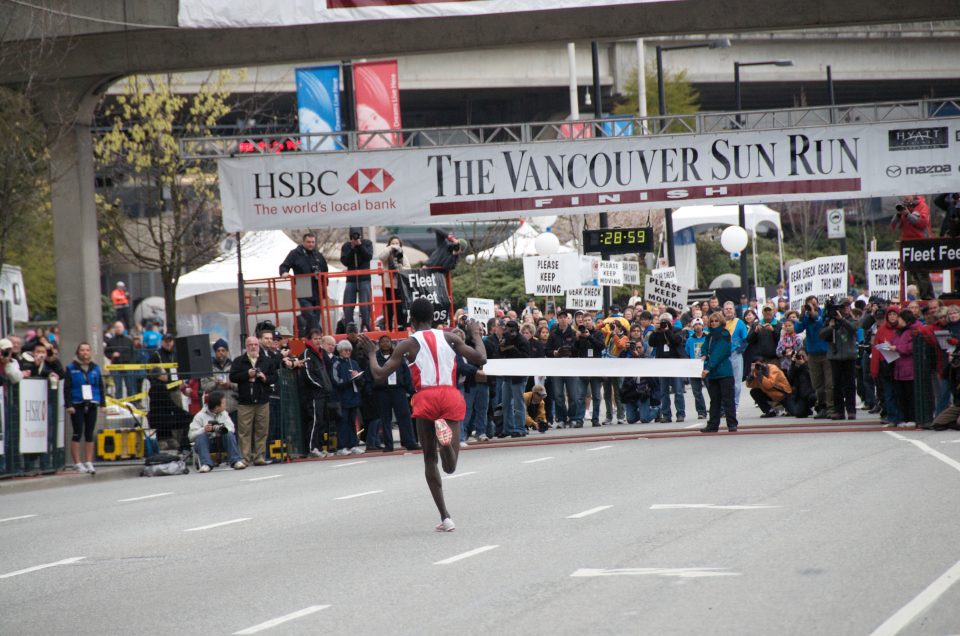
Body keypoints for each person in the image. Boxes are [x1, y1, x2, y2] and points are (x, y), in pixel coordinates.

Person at [358, 297, 486, 533]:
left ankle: (445, 517)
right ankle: (446, 442)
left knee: (429, 459)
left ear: (412, 320)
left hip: (425, 396)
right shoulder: (450, 337)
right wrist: (476, 333)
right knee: (451, 467)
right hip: (449, 394)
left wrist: (372, 353)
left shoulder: (408, 344)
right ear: (432, 317)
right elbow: (481, 359)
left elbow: (378, 375)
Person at [230, 335, 277, 465]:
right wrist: (247, 374)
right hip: (245, 402)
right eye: (250, 345)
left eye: (255, 344)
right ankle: (244, 458)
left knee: (262, 430)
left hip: (263, 401)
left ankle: (259, 457)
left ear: (258, 346)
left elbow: (274, 377)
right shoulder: (239, 361)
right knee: (244, 431)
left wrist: (264, 377)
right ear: (246, 346)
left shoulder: (266, 361)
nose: (253, 347)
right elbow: (232, 377)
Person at [64, 342, 106, 474]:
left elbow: (100, 385)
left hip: (92, 402)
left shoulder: (95, 368)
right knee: (77, 432)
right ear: (78, 352)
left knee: (89, 433)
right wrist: (69, 405)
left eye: (87, 350)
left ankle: (89, 461)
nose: (85, 352)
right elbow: (67, 388)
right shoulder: (71, 368)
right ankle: (77, 462)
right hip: (77, 403)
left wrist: (103, 403)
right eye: (82, 350)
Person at [371, 334, 418, 452]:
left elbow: (406, 373)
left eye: (387, 341)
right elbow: (372, 373)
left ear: (391, 343)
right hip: (383, 391)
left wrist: (411, 389)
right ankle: (388, 444)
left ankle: (409, 442)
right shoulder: (376, 358)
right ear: (379, 344)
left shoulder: (398, 356)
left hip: (398, 390)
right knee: (385, 419)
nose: (385, 344)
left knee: (404, 416)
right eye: (382, 342)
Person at [279, 232, 329, 334]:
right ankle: (319, 333)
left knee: (316, 315)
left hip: (317, 287)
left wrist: (324, 286)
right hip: (303, 285)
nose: (311, 244)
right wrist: (284, 273)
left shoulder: (318, 254)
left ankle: (310, 336)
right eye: (308, 242)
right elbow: (284, 265)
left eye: (313, 242)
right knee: (308, 313)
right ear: (303, 242)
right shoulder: (295, 253)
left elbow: (325, 271)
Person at [819, 298, 858, 420]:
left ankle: (851, 410)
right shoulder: (830, 321)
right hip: (835, 357)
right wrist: (831, 327)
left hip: (849, 356)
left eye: (848, 306)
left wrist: (842, 320)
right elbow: (821, 335)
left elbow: (853, 329)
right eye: (843, 307)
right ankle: (839, 411)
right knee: (836, 385)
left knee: (850, 385)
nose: (846, 309)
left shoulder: (852, 320)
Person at [188, 391, 247, 472]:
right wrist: (204, 430)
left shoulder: (224, 414)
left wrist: (221, 428)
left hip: (222, 442)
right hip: (207, 444)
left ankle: (235, 461)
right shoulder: (200, 416)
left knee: (228, 434)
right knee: (201, 437)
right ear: (216, 407)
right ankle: (206, 464)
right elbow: (191, 436)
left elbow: (232, 428)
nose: (225, 405)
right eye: (223, 403)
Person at [300, 329, 335, 457]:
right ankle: (312, 448)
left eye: (320, 338)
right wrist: (319, 386)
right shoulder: (307, 353)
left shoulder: (320, 354)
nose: (318, 341)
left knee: (322, 421)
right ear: (309, 340)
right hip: (313, 394)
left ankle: (320, 446)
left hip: (323, 392)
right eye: (315, 338)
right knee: (314, 420)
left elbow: (328, 366)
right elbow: (308, 374)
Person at [700, 313, 738, 433]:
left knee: (728, 399)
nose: (714, 323)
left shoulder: (724, 334)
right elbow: (704, 348)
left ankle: (732, 424)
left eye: (716, 321)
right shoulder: (709, 336)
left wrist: (708, 367)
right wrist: (704, 354)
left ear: (720, 322)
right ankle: (713, 425)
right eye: (712, 321)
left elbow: (719, 352)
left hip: (724, 372)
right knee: (714, 400)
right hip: (714, 373)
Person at [796, 296, 833, 418]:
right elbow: (797, 329)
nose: (812, 306)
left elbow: (822, 324)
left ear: (818, 304)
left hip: (826, 353)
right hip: (813, 354)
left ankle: (830, 407)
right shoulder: (806, 316)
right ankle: (821, 407)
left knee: (829, 383)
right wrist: (803, 315)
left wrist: (814, 314)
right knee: (817, 384)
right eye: (809, 304)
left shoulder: (824, 314)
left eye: (814, 304)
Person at [890, 195, 933, 297]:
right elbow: (893, 225)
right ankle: (923, 297)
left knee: (922, 274)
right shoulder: (904, 207)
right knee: (915, 274)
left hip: (921, 244)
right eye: (903, 197)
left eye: (907, 197)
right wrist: (898, 214)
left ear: (912, 195)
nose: (905, 199)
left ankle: (928, 297)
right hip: (908, 245)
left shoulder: (922, 206)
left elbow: (922, 223)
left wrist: (908, 214)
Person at [545, 310, 581, 427]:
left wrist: (575, 344)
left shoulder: (574, 333)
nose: (563, 319)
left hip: (571, 368)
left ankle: (573, 417)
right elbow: (547, 350)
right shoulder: (553, 334)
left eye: (565, 317)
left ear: (568, 319)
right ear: (557, 320)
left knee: (573, 395)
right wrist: (554, 352)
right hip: (557, 368)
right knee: (558, 395)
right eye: (560, 317)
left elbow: (579, 350)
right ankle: (561, 418)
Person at [648, 314, 686, 423]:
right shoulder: (658, 332)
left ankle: (680, 414)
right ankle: (666, 415)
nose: (664, 324)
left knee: (678, 390)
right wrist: (655, 331)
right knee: (664, 391)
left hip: (675, 363)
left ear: (671, 322)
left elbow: (676, 341)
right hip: (662, 364)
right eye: (662, 322)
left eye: (666, 321)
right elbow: (651, 343)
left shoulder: (677, 330)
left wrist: (667, 330)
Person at [331, 340, 365, 455]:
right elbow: (336, 381)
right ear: (340, 351)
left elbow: (361, 379)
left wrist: (358, 377)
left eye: (349, 350)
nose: (348, 352)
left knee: (352, 422)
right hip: (342, 397)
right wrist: (350, 380)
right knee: (343, 422)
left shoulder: (354, 363)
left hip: (354, 397)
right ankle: (342, 446)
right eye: (345, 350)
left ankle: (352, 444)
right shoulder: (336, 363)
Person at [498, 319, 530, 436]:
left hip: (519, 375)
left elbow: (525, 358)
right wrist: (503, 345)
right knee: (506, 403)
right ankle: (508, 428)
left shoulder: (523, 340)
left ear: (517, 329)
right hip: (507, 374)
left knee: (518, 403)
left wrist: (512, 348)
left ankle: (520, 428)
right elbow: (500, 352)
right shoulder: (505, 337)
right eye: (508, 329)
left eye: (512, 330)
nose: (510, 332)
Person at [889, 309, 920, 427]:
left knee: (910, 395)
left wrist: (896, 348)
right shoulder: (899, 331)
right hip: (899, 368)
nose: (897, 320)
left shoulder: (914, 330)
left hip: (909, 368)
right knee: (901, 396)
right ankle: (905, 418)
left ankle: (912, 418)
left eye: (900, 318)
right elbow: (895, 343)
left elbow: (911, 347)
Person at [340, 227, 374, 330]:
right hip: (351, 279)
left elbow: (368, 257)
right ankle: (349, 326)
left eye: (357, 235)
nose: (355, 237)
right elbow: (345, 261)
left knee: (365, 305)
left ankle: (366, 325)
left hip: (364, 278)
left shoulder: (367, 243)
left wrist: (360, 245)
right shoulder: (346, 246)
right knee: (348, 305)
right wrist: (352, 248)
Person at [200, 339, 238, 422]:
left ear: (227, 352)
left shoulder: (235, 366)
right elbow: (204, 386)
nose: (221, 352)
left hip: (233, 407)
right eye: (218, 350)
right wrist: (215, 383)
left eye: (223, 350)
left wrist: (230, 385)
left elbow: (241, 385)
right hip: (215, 409)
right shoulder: (208, 368)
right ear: (215, 352)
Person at [722, 301, 748, 410]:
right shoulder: (720, 323)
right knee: (724, 382)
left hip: (735, 355)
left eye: (730, 308)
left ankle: (735, 406)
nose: (728, 310)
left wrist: (739, 350)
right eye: (726, 309)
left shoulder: (739, 323)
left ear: (734, 310)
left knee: (736, 383)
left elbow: (746, 339)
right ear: (723, 311)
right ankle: (725, 406)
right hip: (723, 357)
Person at [380, 235, 407, 331]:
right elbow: (381, 257)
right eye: (393, 243)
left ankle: (400, 326)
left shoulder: (402, 254)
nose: (395, 245)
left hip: (399, 286)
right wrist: (391, 248)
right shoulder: (387, 253)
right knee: (389, 308)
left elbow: (408, 268)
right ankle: (388, 327)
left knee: (400, 307)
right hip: (388, 285)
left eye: (397, 243)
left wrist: (400, 268)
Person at [104, 320, 136, 398]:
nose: (118, 329)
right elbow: (106, 352)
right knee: (118, 388)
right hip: (116, 367)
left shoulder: (129, 340)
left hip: (128, 367)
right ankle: (119, 405)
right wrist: (112, 355)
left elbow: (133, 353)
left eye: (120, 327)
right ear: (114, 329)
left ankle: (132, 405)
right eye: (116, 327)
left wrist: (132, 365)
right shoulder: (110, 341)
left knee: (130, 387)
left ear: (123, 328)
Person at [685, 318, 708, 419]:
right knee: (696, 391)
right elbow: (687, 353)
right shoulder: (690, 340)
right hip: (694, 367)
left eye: (699, 324)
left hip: (706, 366)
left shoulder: (707, 337)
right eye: (695, 324)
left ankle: (718, 409)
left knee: (712, 389)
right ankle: (701, 411)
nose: (698, 326)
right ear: (693, 327)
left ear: (703, 326)